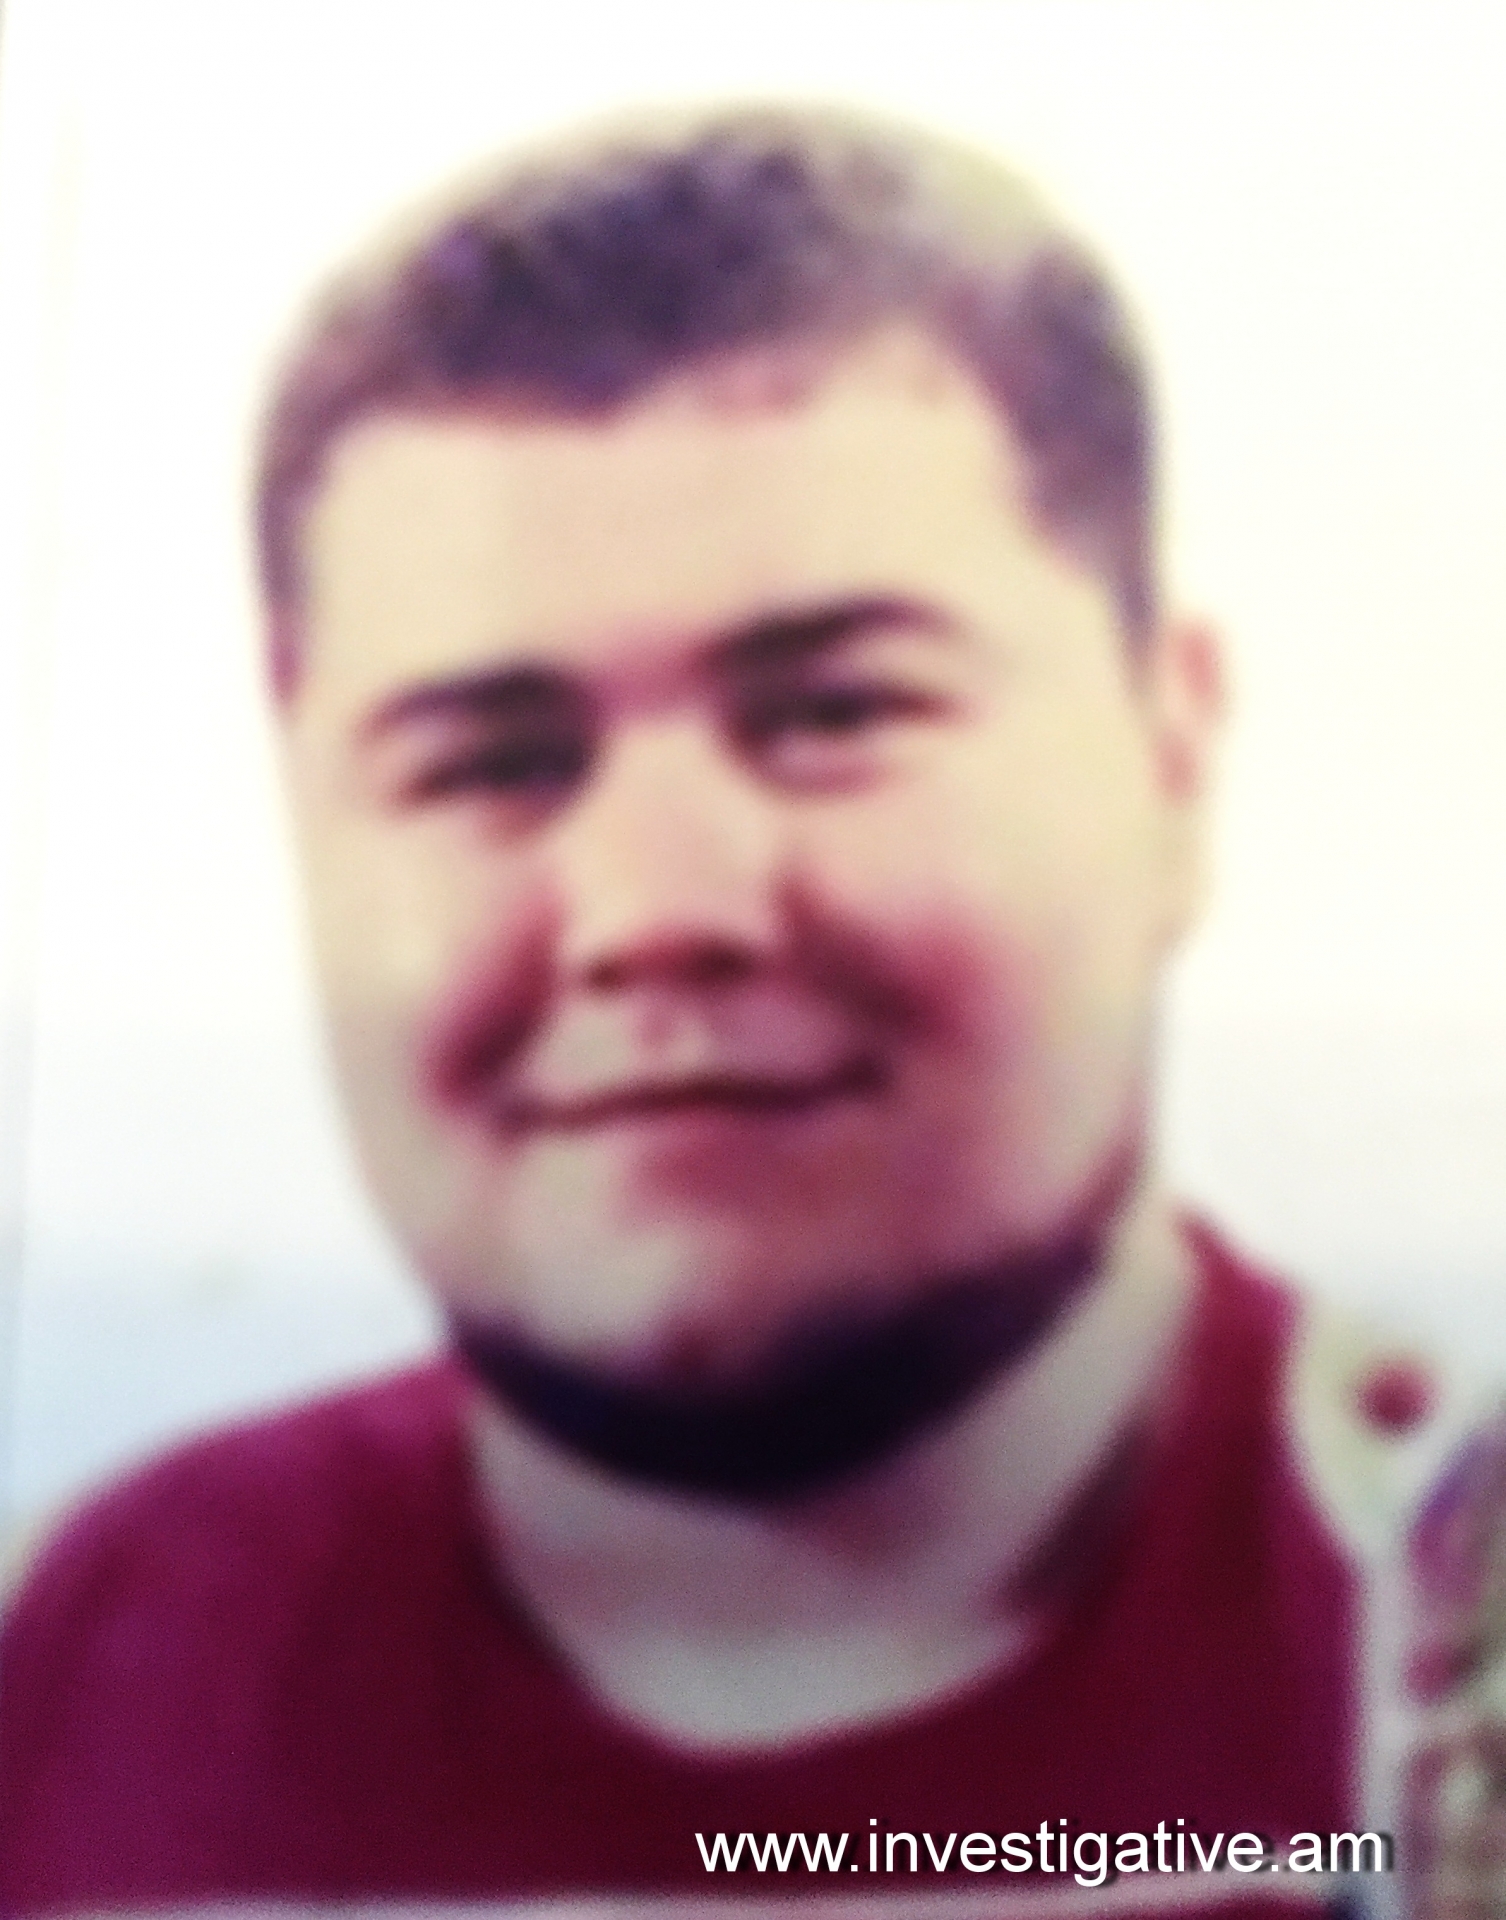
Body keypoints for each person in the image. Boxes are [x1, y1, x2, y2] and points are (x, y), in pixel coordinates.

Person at [1, 102, 1501, 1920]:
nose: (656, 911)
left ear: (1170, 756)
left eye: (833, 713)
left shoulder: (1425, 1660)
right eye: (493, 760)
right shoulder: (60, 1682)